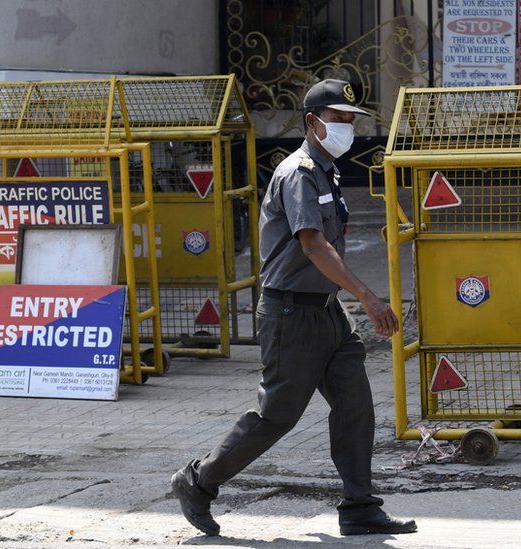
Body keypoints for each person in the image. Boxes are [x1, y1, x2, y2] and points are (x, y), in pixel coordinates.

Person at [171, 79, 417, 537]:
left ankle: (360, 506)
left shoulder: (326, 171)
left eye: (350, 119)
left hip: (325, 311)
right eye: (339, 119)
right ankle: (198, 481)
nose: (347, 127)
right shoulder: (299, 173)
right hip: (290, 313)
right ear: (312, 122)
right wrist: (367, 296)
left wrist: (345, 301)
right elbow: (314, 247)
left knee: (355, 403)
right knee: (278, 416)